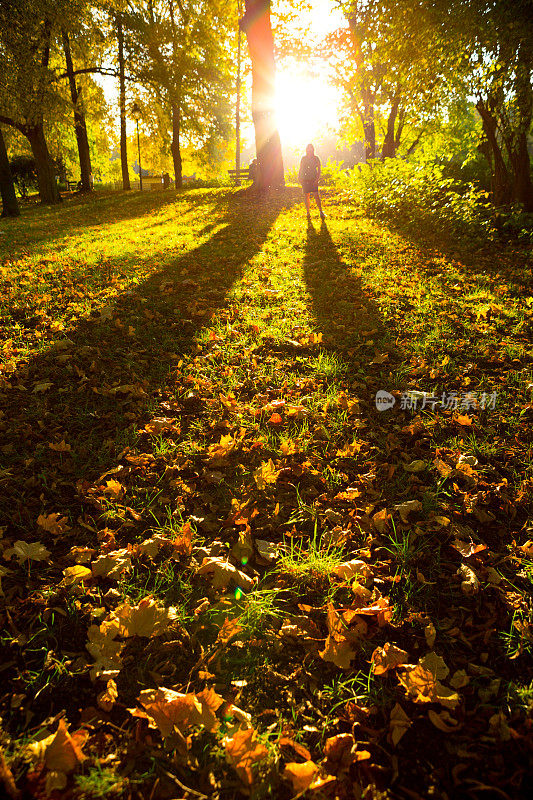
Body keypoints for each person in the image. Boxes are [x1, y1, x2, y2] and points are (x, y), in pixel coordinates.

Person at [298, 143, 325, 222]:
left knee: (316, 196)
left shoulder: (316, 158)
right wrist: (299, 177)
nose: (309, 150)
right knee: (306, 196)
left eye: (311, 148)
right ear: (306, 149)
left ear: (313, 149)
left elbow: (319, 169)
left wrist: (317, 179)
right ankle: (308, 212)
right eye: (308, 148)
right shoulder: (303, 158)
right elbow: (301, 168)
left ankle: (320, 211)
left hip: (313, 179)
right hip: (305, 179)